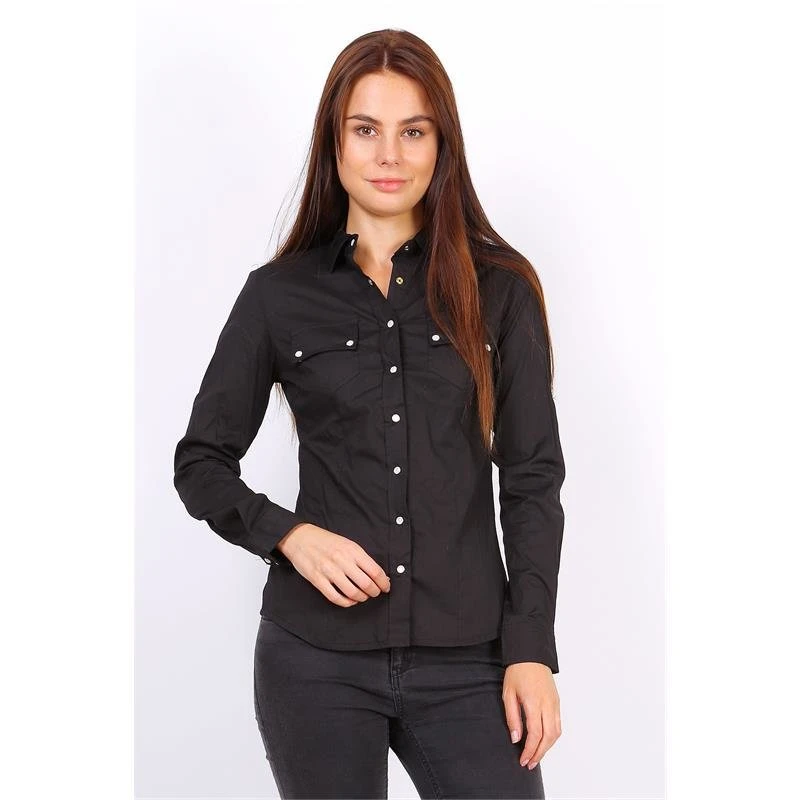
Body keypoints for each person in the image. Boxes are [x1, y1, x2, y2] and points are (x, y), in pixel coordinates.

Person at [173, 28, 566, 800]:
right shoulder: (277, 296)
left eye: (413, 131)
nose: (389, 155)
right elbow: (201, 463)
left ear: (441, 145)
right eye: (366, 130)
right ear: (335, 142)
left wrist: (531, 648)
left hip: (470, 659)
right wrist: (289, 535)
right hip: (313, 660)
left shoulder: (501, 290)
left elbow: (532, 478)